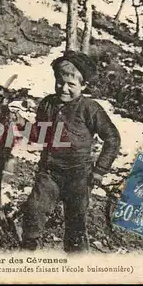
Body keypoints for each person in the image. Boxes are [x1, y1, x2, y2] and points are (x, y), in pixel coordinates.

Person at [21, 51, 122, 253]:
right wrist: (22, 125)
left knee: (76, 225)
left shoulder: (90, 109)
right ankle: (27, 252)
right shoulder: (48, 104)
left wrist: (99, 170)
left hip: (79, 177)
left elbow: (113, 139)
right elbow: (40, 137)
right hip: (49, 172)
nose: (64, 89)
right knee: (33, 210)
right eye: (60, 82)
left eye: (71, 85)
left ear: (83, 85)